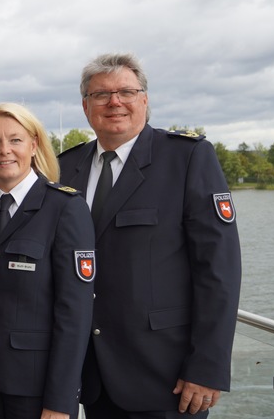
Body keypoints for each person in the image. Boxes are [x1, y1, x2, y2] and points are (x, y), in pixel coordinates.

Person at [58, 53, 242, 419]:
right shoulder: (66, 167)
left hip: (167, 376)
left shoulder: (187, 158)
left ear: (144, 100)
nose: (114, 102)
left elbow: (218, 271)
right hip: (90, 376)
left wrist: (207, 366)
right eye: (101, 95)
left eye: (126, 91)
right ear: (85, 106)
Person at [0, 103, 95, 419]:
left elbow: (75, 315)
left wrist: (60, 402)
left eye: (15, 140)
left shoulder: (65, 208)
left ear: (33, 145)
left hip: (36, 389)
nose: (5, 150)